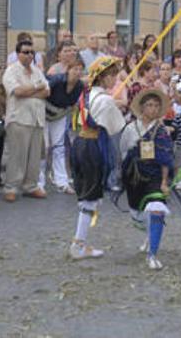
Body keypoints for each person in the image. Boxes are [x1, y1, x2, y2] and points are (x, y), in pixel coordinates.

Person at [68, 56, 126, 260]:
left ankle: (79, 242)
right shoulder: (105, 100)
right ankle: (79, 244)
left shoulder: (87, 95)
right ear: (104, 77)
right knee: (90, 196)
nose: (115, 79)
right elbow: (117, 127)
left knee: (86, 193)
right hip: (93, 147)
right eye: (113, 75)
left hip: (79, 144)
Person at [120, 88, 174, 270]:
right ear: (142, 108)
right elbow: (123, 151)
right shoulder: (130, 129)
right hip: (134, 177)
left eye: (156, 106)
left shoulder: (162, 131)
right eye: (149, 105)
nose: (153, 109)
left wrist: (164, 182)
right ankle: (150, 234)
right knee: (137, 214)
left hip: (156, 176)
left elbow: (166, 158)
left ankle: (152, 254)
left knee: (157, 209)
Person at [2, 39, 49, 201]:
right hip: (19, 118)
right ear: (18, 54)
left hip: (37, 118)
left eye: (32, 52)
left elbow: (47, 92)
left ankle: (31, 185)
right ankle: (11, 187)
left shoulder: (37, 70)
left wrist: (31, 91)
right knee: (17, 155)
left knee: (35, 155)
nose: (30, 55)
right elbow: (18, 92)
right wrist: (36, 88)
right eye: (26, 52)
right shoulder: (11, 71)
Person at [43, 59, 85, 193]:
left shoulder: (79, 86)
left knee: (59, 147)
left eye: (80, 70)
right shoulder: (57, 80)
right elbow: (44, 93)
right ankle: (39, 182)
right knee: (43, 147)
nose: (77, 72)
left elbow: (72, 105)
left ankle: (62, 181)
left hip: (59, 115)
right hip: (44, 113)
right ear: (68, 70)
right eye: (75, 69)